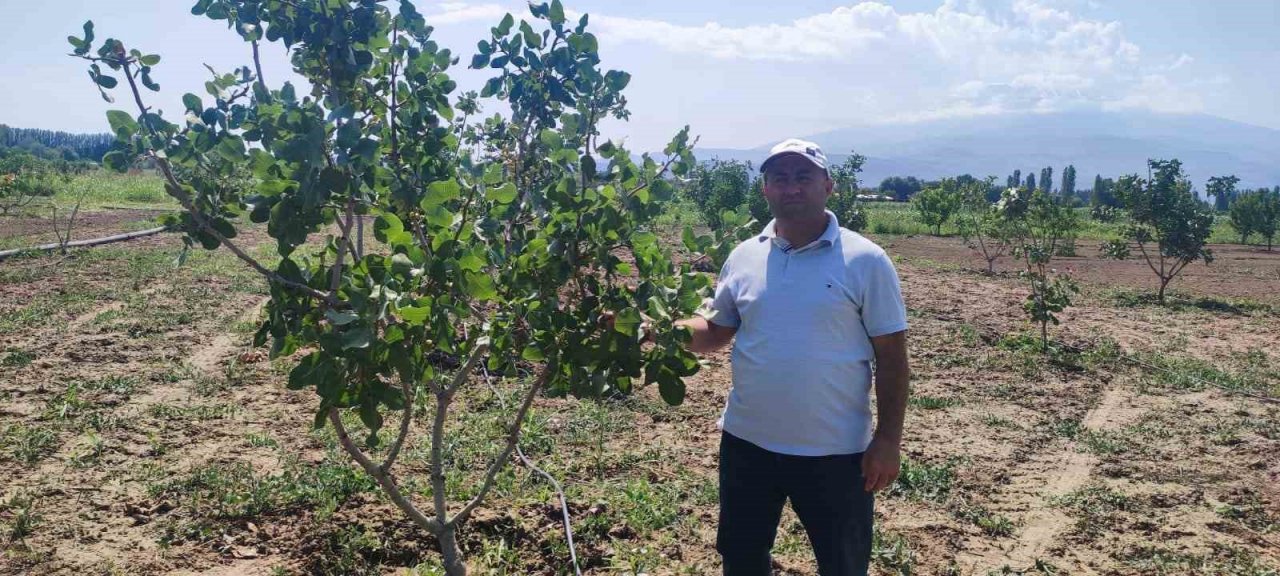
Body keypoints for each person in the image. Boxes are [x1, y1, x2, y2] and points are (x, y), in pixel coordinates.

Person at [675, 138, 911, 575]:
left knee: (842, 564)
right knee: (742, 557)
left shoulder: (866, 261)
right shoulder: (744, 256)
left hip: (836, 454)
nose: (792, 187)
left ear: (828, 186)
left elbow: (893, 359)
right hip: (747, 444)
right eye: (780, 178)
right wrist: (648, 331)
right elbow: (715, 330)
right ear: (765, 190)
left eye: (804, 177)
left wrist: (888, 440)